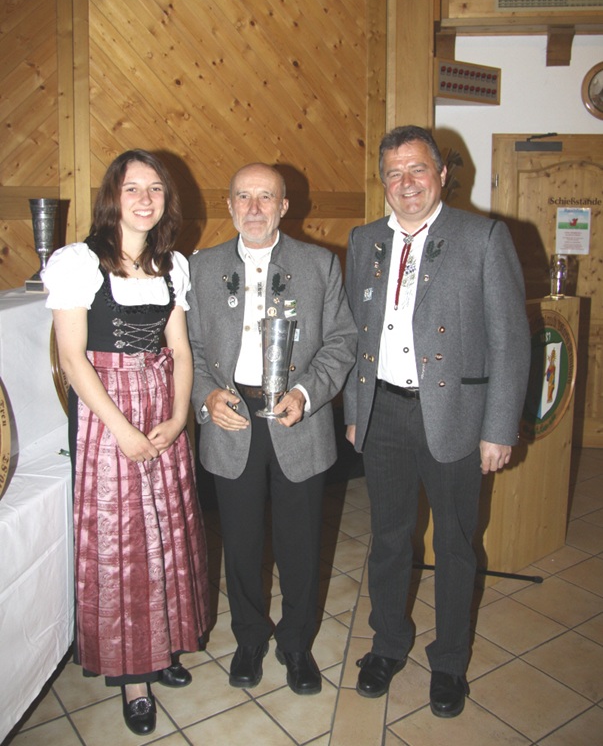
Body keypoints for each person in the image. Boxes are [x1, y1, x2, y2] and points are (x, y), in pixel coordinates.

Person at [343, 126, 530, 717]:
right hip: (383, 413)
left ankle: (449, 661)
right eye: (394, 173)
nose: (407, 183)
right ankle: (387, 644)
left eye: (418, 169)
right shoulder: (364, 240)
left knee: (454, 543)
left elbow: (511, 341)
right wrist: (356, 411)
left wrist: (498, 428)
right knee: (389, 539)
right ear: (383, 181)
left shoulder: (483, 237)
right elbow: (353, 335)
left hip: (455, 417)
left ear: (442, 175)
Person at [43, 150, 210, 736]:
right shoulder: (77, 262)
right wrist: (122, 429)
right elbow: (72, 358)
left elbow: (180, 350)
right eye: (132, 187)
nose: (144, 198)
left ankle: (162, 647)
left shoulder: (172, 265)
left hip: (162, 407)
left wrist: (180, 416)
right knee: (125, 541)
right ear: (112, 197)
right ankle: (133, 675)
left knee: (169, 530)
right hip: (106, 415)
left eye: (155, 188)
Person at [187, 163, 356, 695]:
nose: (254, 208)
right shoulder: (201, 267)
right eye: (244, 196)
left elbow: (342, 341)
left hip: (297, 419)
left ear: (284, 206)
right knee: (239, 543)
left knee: (300, 543)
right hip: (230, 418)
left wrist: (306, 394)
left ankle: (296, 644)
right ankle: (250, 638)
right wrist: (205, 396)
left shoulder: (320, 264)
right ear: (229, 204)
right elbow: (187, 349)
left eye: (266, 197)